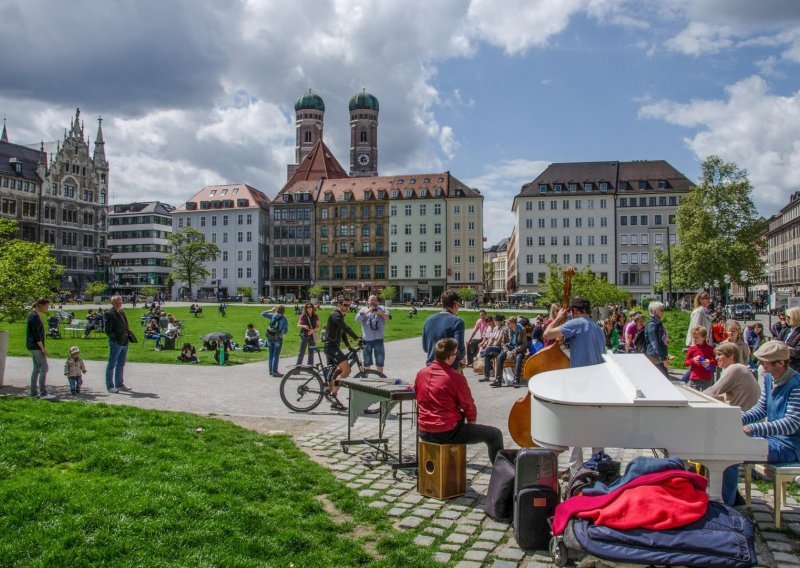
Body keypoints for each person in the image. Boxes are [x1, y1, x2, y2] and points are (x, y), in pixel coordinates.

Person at [721, 340, 800, 506]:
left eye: (766, 362)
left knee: (729, 453)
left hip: (790, 446)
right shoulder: (770, 378)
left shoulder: (796, 385)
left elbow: (791, 423)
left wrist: (752, 428)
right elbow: (761, 409)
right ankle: (732, 499)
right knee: (724, 445)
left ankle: (728, 506)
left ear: (781, 362)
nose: (762, 366)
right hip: (774, 439)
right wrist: (735, 418)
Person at [543, 296, 606, 476]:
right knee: (596, 425)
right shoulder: (597, 327)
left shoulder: (577, 323)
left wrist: (557, 318)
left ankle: (575, 467)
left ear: (574, 311)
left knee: (574, 424)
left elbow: (547, 334)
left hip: (580, 381)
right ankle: (598, 461)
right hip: (598, 381)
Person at [416, 338, 504, 464]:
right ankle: (501, 473)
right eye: (455, 354)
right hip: (447, 431)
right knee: (494, 434)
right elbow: (468, 404)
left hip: (424, 429)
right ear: (450, 357)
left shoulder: (421, 374)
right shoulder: (455, 377)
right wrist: (471, 420)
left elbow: (419, 398)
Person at [323, 298, 361, 411]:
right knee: (347, 370)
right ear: (339, 305)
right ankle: (333, 394)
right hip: (331, 347)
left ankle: (331, 395)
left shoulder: (340, 316)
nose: (347, 307)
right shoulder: (335, 315)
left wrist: (349, 347)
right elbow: (345, 327)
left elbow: (343, 333)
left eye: (349, 305)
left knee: (336, 371)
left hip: (333, 346)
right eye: (345, 305)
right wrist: (357, 338)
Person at [707, 343, 760, 411]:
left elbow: (712, 392)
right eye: (716, 355)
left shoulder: (734, 368)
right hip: (746, 415)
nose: (716, 358)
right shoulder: (739, 368)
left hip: (743, 417)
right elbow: (724, 396)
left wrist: (693, 397)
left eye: (719, 355)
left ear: (731, 356)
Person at [422, 289, 465, 369]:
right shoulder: (457, 322)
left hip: (431, 367)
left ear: (442, 303)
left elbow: (425, 348)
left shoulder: (428, 320)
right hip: (449, 370)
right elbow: (459, 350)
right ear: (455, 304)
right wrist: (462, 359)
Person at [104, 295, 132, 393]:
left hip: (124, 341)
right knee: (111, 364)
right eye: (116, 303)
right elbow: (107, 330)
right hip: (116, 342)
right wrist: (115, 338)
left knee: (121, 364)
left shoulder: (121, 312)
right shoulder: (109, 314)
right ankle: (110, 386)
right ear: (112, 303)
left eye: (120, 303)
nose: (119, 304)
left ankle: (119, 384)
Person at [355, 294, 391, 373]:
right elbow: (357, 320)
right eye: (371, 300)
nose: (373, 302)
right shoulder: (363, 310)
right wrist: (368, 311)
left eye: (375, 300)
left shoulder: (382, 308)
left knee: (380, 359)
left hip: (379, 338)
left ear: (377, 301)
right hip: (367, 339)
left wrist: (380, 313)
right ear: (368, 301)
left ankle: (380, 377)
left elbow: (388, 318)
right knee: (367, 360)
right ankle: (366, 378)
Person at [495, 316, 530, 388]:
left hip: (518, 349)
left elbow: (524, 344)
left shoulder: (522, 330)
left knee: (519, 357)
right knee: (500, 357)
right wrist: (507, 351)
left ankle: (516, 380)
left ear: (514, 323)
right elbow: (503, 343)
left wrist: (516, 350)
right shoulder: (506, 330)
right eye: (507, 323)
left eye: (509, 323)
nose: (507, 324)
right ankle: (498, 380)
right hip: (508, 349)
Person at [26, 297, 51, 398]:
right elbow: (36, 335)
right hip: (36, 346)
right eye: (46, 306)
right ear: (39, 306)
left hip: (34, 346)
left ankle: (33, 393)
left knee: (36, 368)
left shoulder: (35, 316)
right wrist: (43, 349)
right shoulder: (34, 317)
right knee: (44, 367)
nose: (47, 308)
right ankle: (43, 393)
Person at [684, 326, 717, 391]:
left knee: (707, 398)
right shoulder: (692, 349)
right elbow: (686, 363)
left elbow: (716, 362)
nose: (694, 339)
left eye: (696, 337)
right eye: (693, 337)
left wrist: (709, 362)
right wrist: (692, 360)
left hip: (707, 378)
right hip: (695, 378)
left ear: (704, 338)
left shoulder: (710, 349)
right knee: (694, 397)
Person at [644, 301, 670, 378]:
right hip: (655, 356)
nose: (663, 312)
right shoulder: (652, 324)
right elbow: (655, 343)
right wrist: (663, 358)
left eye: (663, 310)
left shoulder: (657, 323)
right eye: (661, 310)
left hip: (657, 355)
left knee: (659, 379)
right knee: (665, 380)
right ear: (654, 311)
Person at [261, 305, 288, 377]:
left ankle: (270, 371)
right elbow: (285, 330)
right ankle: (275, 371)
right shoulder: (284, 319)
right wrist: (279, 334)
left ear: (277, 310)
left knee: (271, 354)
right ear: (284, 311)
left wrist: (271, 310)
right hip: (278, 338)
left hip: (269, 336)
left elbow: (262, 313)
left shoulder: (273, 315)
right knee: (276, 355)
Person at [481, 314, 506, 384]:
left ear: (500, 321)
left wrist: (490, 347)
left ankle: (483, 353)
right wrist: (488, 346)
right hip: (493, 347)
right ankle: (486, 376)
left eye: (495, 321)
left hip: (499, 347)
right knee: (487, 356)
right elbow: (491, 338)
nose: (494, 322)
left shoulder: (504, 328)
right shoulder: (495, 328)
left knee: (487, 350)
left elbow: (499, 341)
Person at [784, 307, 800, 373]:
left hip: (796, 368)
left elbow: (797, 352)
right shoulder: (789, 329)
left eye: (788, 317)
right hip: (787, 366)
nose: (786, 319)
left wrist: (783, 347)